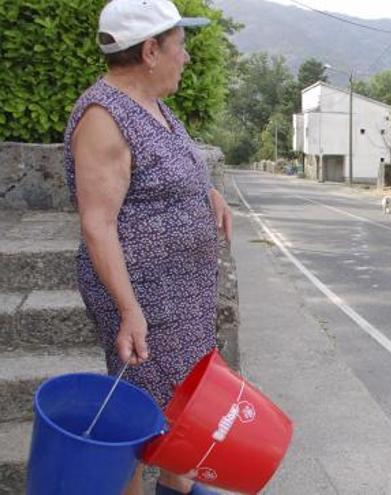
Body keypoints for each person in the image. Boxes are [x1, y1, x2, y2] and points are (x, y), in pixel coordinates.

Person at [63, 1, 231, 494]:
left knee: (179, 410)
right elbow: (98, 224)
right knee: (138, 420)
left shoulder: (153, 103)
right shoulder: (103, 117)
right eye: (181, 45)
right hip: (145, 300)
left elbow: (169, 170)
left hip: (183, 298)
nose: (187, 57)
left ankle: (176, 488)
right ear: (152, 50)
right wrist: (129, 310)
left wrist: (209, 193)